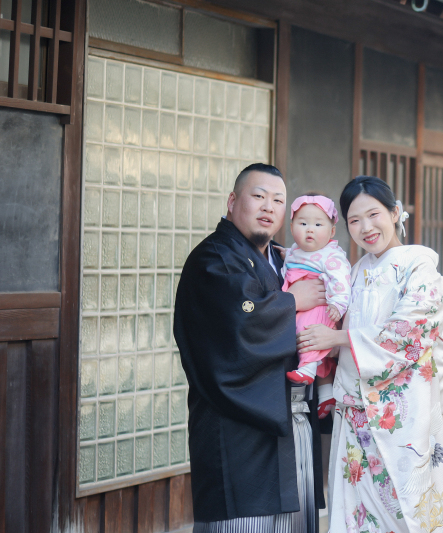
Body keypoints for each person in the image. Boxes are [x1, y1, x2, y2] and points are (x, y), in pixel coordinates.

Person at [297, 176, 443, 533]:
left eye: (373, 214)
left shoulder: (418, 266)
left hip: (404, 413)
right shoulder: (356, 271)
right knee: (357, 515)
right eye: (354, 220)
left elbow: (408, 333)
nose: (366, 227)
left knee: (407, 512)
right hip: (355, 414)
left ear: (394, 212)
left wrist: (338, 337)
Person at [173, 163, 329, 533]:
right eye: (258, 196)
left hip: (292, 422)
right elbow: (238, 324)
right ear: (232, 201)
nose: (268, 206)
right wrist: (291, 301)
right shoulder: (213, 259)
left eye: (278, 200)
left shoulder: (284, 259)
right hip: (238, 431)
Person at [282, 194, 351, 419]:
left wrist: (338, 304)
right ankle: (326, 394)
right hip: (301, 302)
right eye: (303, 223)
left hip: (322, 308)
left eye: (318, 224)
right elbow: (291, 259)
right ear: (291, 227)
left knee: (307, 333)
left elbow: (341, 279)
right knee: (309, 342)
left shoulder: (331, 255)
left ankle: (307, 370)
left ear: (332, 231)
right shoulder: (294, 250)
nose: (310, 229)